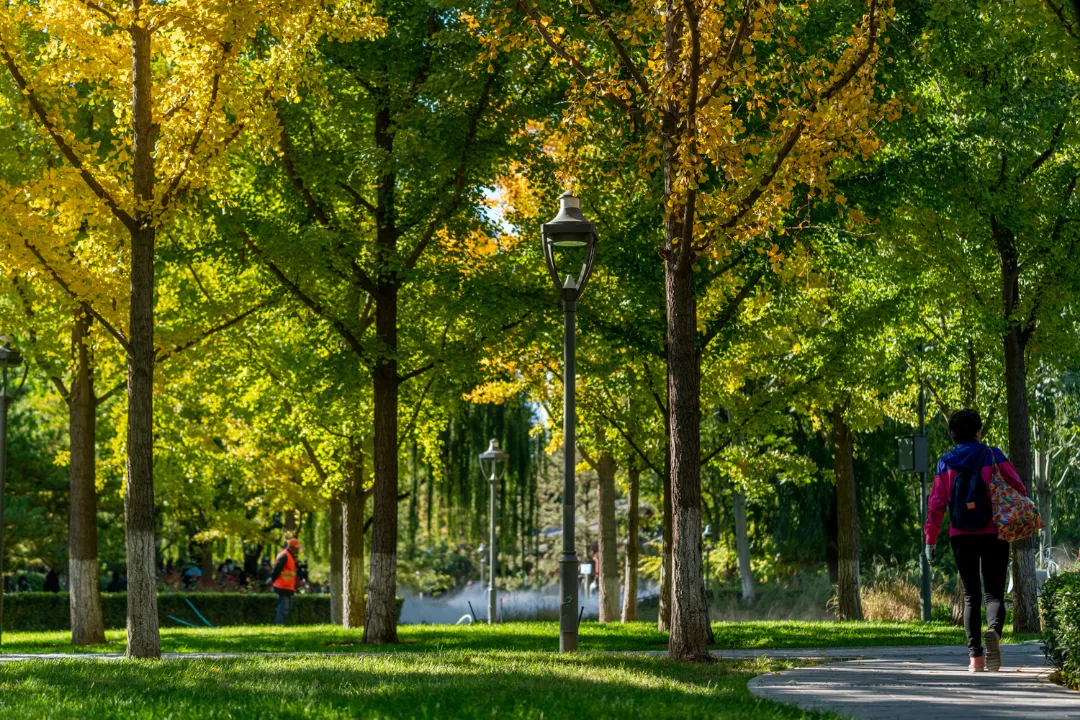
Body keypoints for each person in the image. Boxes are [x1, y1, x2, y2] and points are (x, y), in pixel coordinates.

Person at [925, 409, 1027, 673]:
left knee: (971, 595)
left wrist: (930, 540)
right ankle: (994, 632)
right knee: (993, 593)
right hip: (994, 532)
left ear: (952, 434)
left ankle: (976, 660)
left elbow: (936, 504)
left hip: (961, 534)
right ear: (978, 432)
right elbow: (1018, 487)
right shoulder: (993, 455)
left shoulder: (945, 463)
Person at [268, 538, 301, 625]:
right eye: (296, 548)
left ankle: (280, 625)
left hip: (287, 586)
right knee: (284, 608)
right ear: (291, 547)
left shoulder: (289, 556)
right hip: (282, 586)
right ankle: (278, 626)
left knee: (286, 608)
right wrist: (272, 579)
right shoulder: (285, 555)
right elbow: (277, 569)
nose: (297, 550)